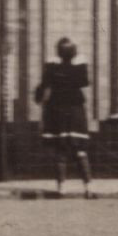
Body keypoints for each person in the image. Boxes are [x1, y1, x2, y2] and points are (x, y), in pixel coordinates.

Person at [35, 37, 95, 198]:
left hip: (57, 110)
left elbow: (43, 87)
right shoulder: (79, 68)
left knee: (60, 151)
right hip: (76, 111)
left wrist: (40, 98)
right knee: (80, 150)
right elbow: (84, 82)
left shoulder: (52, 68)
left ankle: (61, 188)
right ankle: (88, 188)